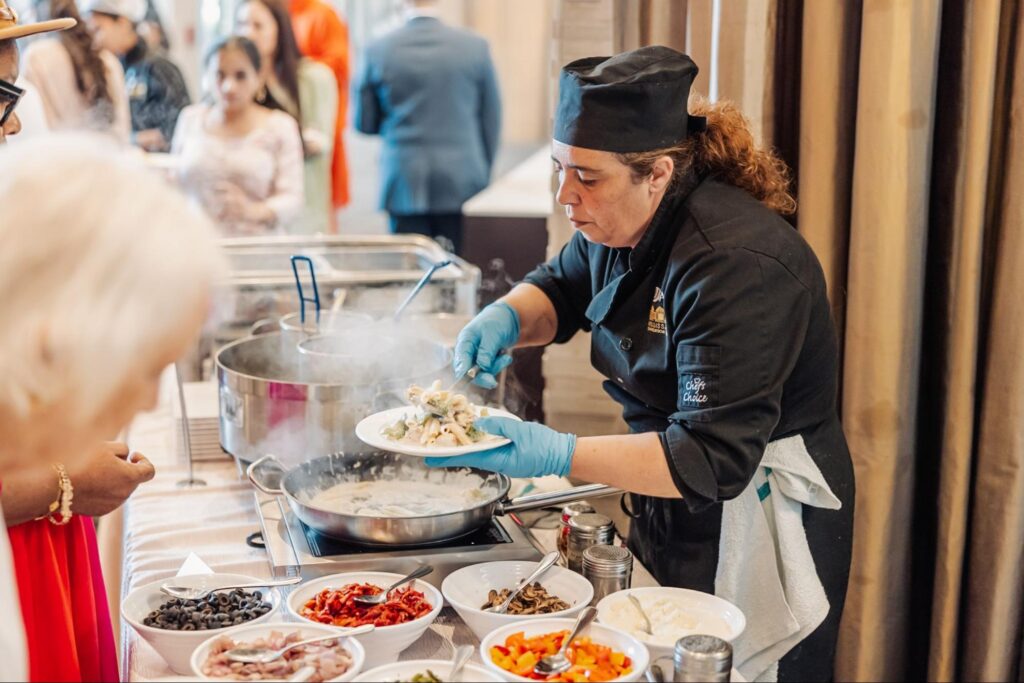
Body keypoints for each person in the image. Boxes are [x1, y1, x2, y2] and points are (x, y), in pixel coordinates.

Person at [426, 47, 855, 681]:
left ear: (656, 173)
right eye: (559, 169)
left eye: (587, 177)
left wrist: (557, 453)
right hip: (666, 490)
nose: (566, 195)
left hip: (754, 513)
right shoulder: (616, 222)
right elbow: (562, 287)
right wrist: (507, 318)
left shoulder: (735, 265)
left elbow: (710, 456)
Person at [353, 0, 501, 254]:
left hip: (403, 177)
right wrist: (482, 169)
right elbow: (491, 118)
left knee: (411, 267)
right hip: (463, 175)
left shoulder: (377, 49)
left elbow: (364, 123)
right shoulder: (474, 47)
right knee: (460, 265)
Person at [172, 36, 303, 236]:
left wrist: (254, 211)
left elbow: (293, 198)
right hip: (196, 242)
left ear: (259, 77)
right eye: (220, 75)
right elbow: (175, 183)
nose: (229, 87)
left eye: (240, 76)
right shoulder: (191, 119)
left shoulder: (280, 126)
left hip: (256, 244)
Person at [237, 0, 337, 234]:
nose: (248, 33)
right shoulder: (235, 83)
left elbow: (320, 142)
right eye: (241, 24)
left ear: (279, 28)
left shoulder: (314, 78)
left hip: (302, 218)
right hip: (249, 222)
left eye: (258, 25)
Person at [82, 0, 190, 152]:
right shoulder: (108, 69)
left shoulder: (159, 68)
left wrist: (129, 139)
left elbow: (178, 130)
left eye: (98, 30)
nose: (94, 41)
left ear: (123, 23)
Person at [20, 0, 130, 142]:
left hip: (61, 154)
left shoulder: (35, 57)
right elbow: (122, 129)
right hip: (111, 153)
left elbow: (37, 130)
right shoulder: (108, 59)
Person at [288, 0, 350, 215]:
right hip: (288, 113)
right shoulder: (277, 12)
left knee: (320, 195)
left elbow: (339, 64)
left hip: (317, 117)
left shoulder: (323, 16)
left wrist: (298, 68)